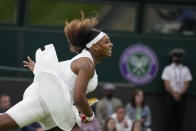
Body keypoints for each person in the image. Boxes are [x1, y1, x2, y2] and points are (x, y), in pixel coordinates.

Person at [0, 13, 113, 131]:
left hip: (58, 106)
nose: (111, 44)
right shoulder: (86, 64)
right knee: (3, 123)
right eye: (106, 42)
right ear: (94, 46)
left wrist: (37, 69)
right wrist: (90, 115)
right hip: (44, 101)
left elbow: (60, 74)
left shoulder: (84, 62)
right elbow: (78, 98)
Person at [161, 48, 192, 131]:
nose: (177, 58)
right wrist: (174, 94)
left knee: (180, 118)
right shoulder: (167, 69)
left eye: (179, 57)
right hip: (170, 96)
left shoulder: (186, 69)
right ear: (172, 57)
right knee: (169, 118)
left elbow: (186, 83)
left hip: (182, 96)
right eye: (175, 56)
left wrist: (180, 94)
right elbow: (166, 83)